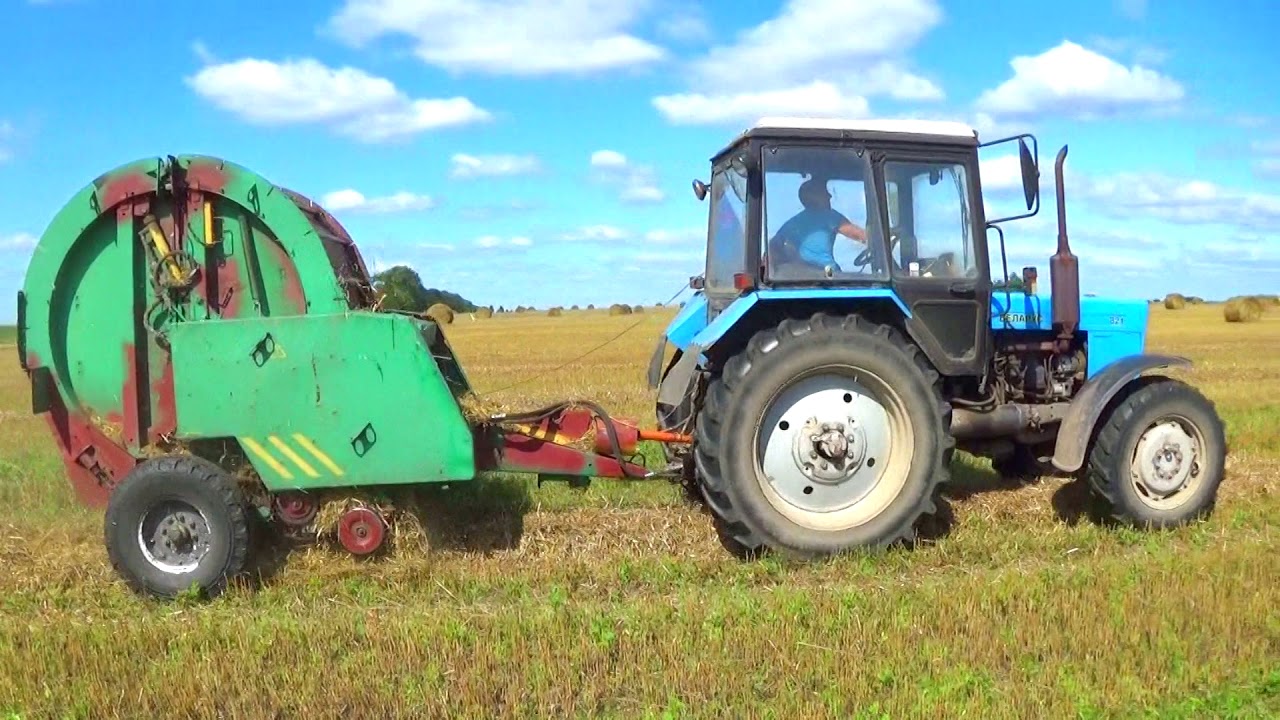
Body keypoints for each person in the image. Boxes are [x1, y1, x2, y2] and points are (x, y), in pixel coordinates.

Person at [768, 178, 868, 273]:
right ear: (814, 197)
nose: (830, 196)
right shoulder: (829, 216)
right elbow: (860, 235)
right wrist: (878, 242)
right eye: (824, 193)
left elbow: (771, 251)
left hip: (801, 277)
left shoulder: (790, 224)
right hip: (827, 276)